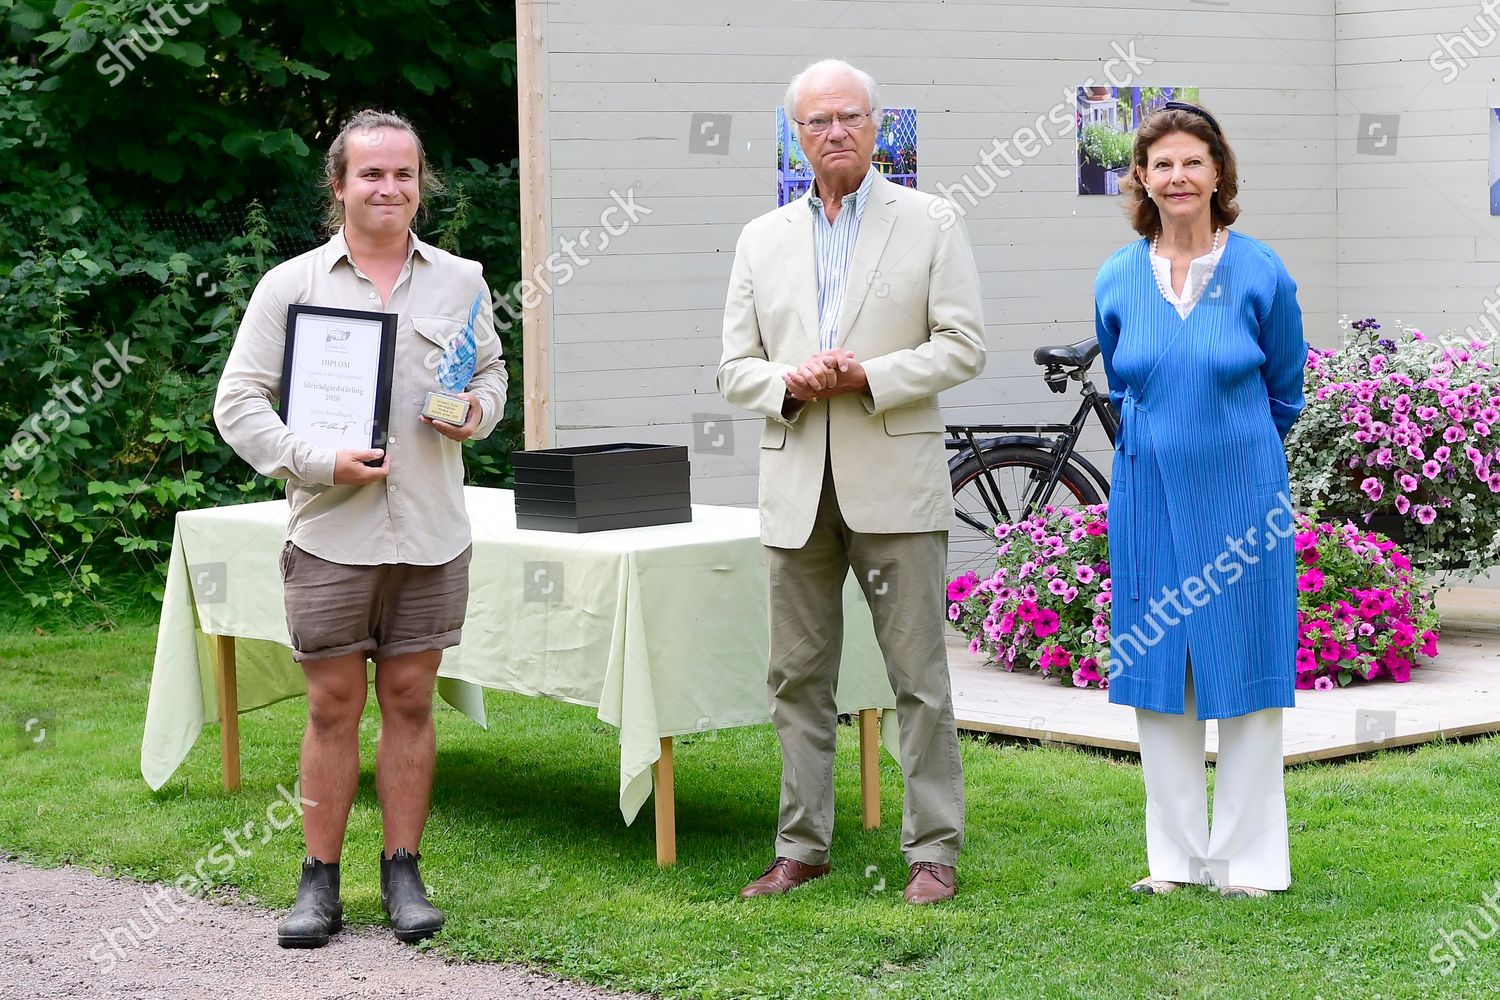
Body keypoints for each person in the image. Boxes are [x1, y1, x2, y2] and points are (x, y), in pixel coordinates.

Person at [214, 109, 507, 946]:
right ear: (338, 184)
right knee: (332, 705)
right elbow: (236, 403)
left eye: (405, 174)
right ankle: (319, 883)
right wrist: (314, 461)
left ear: (423, 185)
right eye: (372, 174)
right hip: (331, 535)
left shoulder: (462, 280)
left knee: (412, 701)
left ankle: (404, 872)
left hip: (430, 533)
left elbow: (488, 372)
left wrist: (475, 412)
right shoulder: (292, 286)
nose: (390, 188)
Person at [717, 59, 986, 905]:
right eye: (815, 122)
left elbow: (963, 345)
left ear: (877, 128)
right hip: (796, 485)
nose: (834, 133)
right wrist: (790, 383)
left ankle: (933, 850)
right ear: (795, 136)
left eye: (849, 118)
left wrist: (865, 374)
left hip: (893, 481)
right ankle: (803, 846)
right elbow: (733, 369)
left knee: (919, 678)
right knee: (797, 679)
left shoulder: (932, 221)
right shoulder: (761, 238)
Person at [1092, 102, 1306, 898]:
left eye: (1193, 162)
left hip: (1244, 501)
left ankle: (1247, 864)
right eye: (1162, 165)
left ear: (1219, 173)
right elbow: (1125, 379)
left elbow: (1286, 389)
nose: (1178, 178)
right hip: (1147, 496)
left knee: (1246, 673)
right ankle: (1177, 863)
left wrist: (1230, 443)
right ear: (1142, 179)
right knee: (1160, 676)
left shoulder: (1259, 269)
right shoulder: (1118, 274)